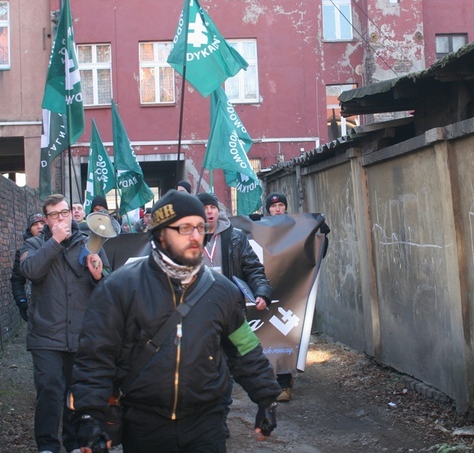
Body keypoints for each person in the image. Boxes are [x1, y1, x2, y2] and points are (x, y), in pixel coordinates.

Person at [70, 190, 280, 453]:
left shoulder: (222, 291)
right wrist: (90, 415)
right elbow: (95, 357)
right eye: (184, 228)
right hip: (144, 425)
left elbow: (244, 349)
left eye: (200, 227)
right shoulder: (119, 288)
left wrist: (266, 398)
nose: (196, 236)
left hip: (207, 424)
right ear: (159, 233)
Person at [19, 194, 109, 453]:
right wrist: (56, 241)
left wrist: (99, 275)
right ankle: (48, 445)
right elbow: (31, 271)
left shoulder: (90, 243)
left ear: (71, 213)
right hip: (46, 334)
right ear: (46, 220)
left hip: (81, 334)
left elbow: (107, 284)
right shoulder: (34, 244)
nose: (61, 218)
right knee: (49, 390)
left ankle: (72, 444)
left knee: (75, 395)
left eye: (64, 212)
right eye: (55, 215)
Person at [197, 191, 274, 437]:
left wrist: (261, 291)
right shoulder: (188, 238)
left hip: (230, 315)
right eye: (204, 207)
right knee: (202, 369)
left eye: (213, 206)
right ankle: (203, 419)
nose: (209, 211)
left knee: (228, 369)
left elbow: (254, 269)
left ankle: (219, 419)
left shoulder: (236, 237)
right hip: (196, 318)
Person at [262, 192, 330, 402]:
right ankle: (270, 381)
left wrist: (322, 236)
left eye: (281, 205)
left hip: (290, 292)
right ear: (268, 210)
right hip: (265, 292)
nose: (277, 209)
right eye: (273, 207)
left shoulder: (296, 230)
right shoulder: (261, 230)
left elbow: (314, 254)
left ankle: (284, 384)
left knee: (284, 336)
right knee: (266, 337)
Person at [10, 213, 45, 322]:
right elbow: (17, 280)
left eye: (42, 223)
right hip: (35, 305)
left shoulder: (59, 244)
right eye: (35, 224)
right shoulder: (23, 251)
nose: (39, 226)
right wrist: (21, 301)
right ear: (30, 229)